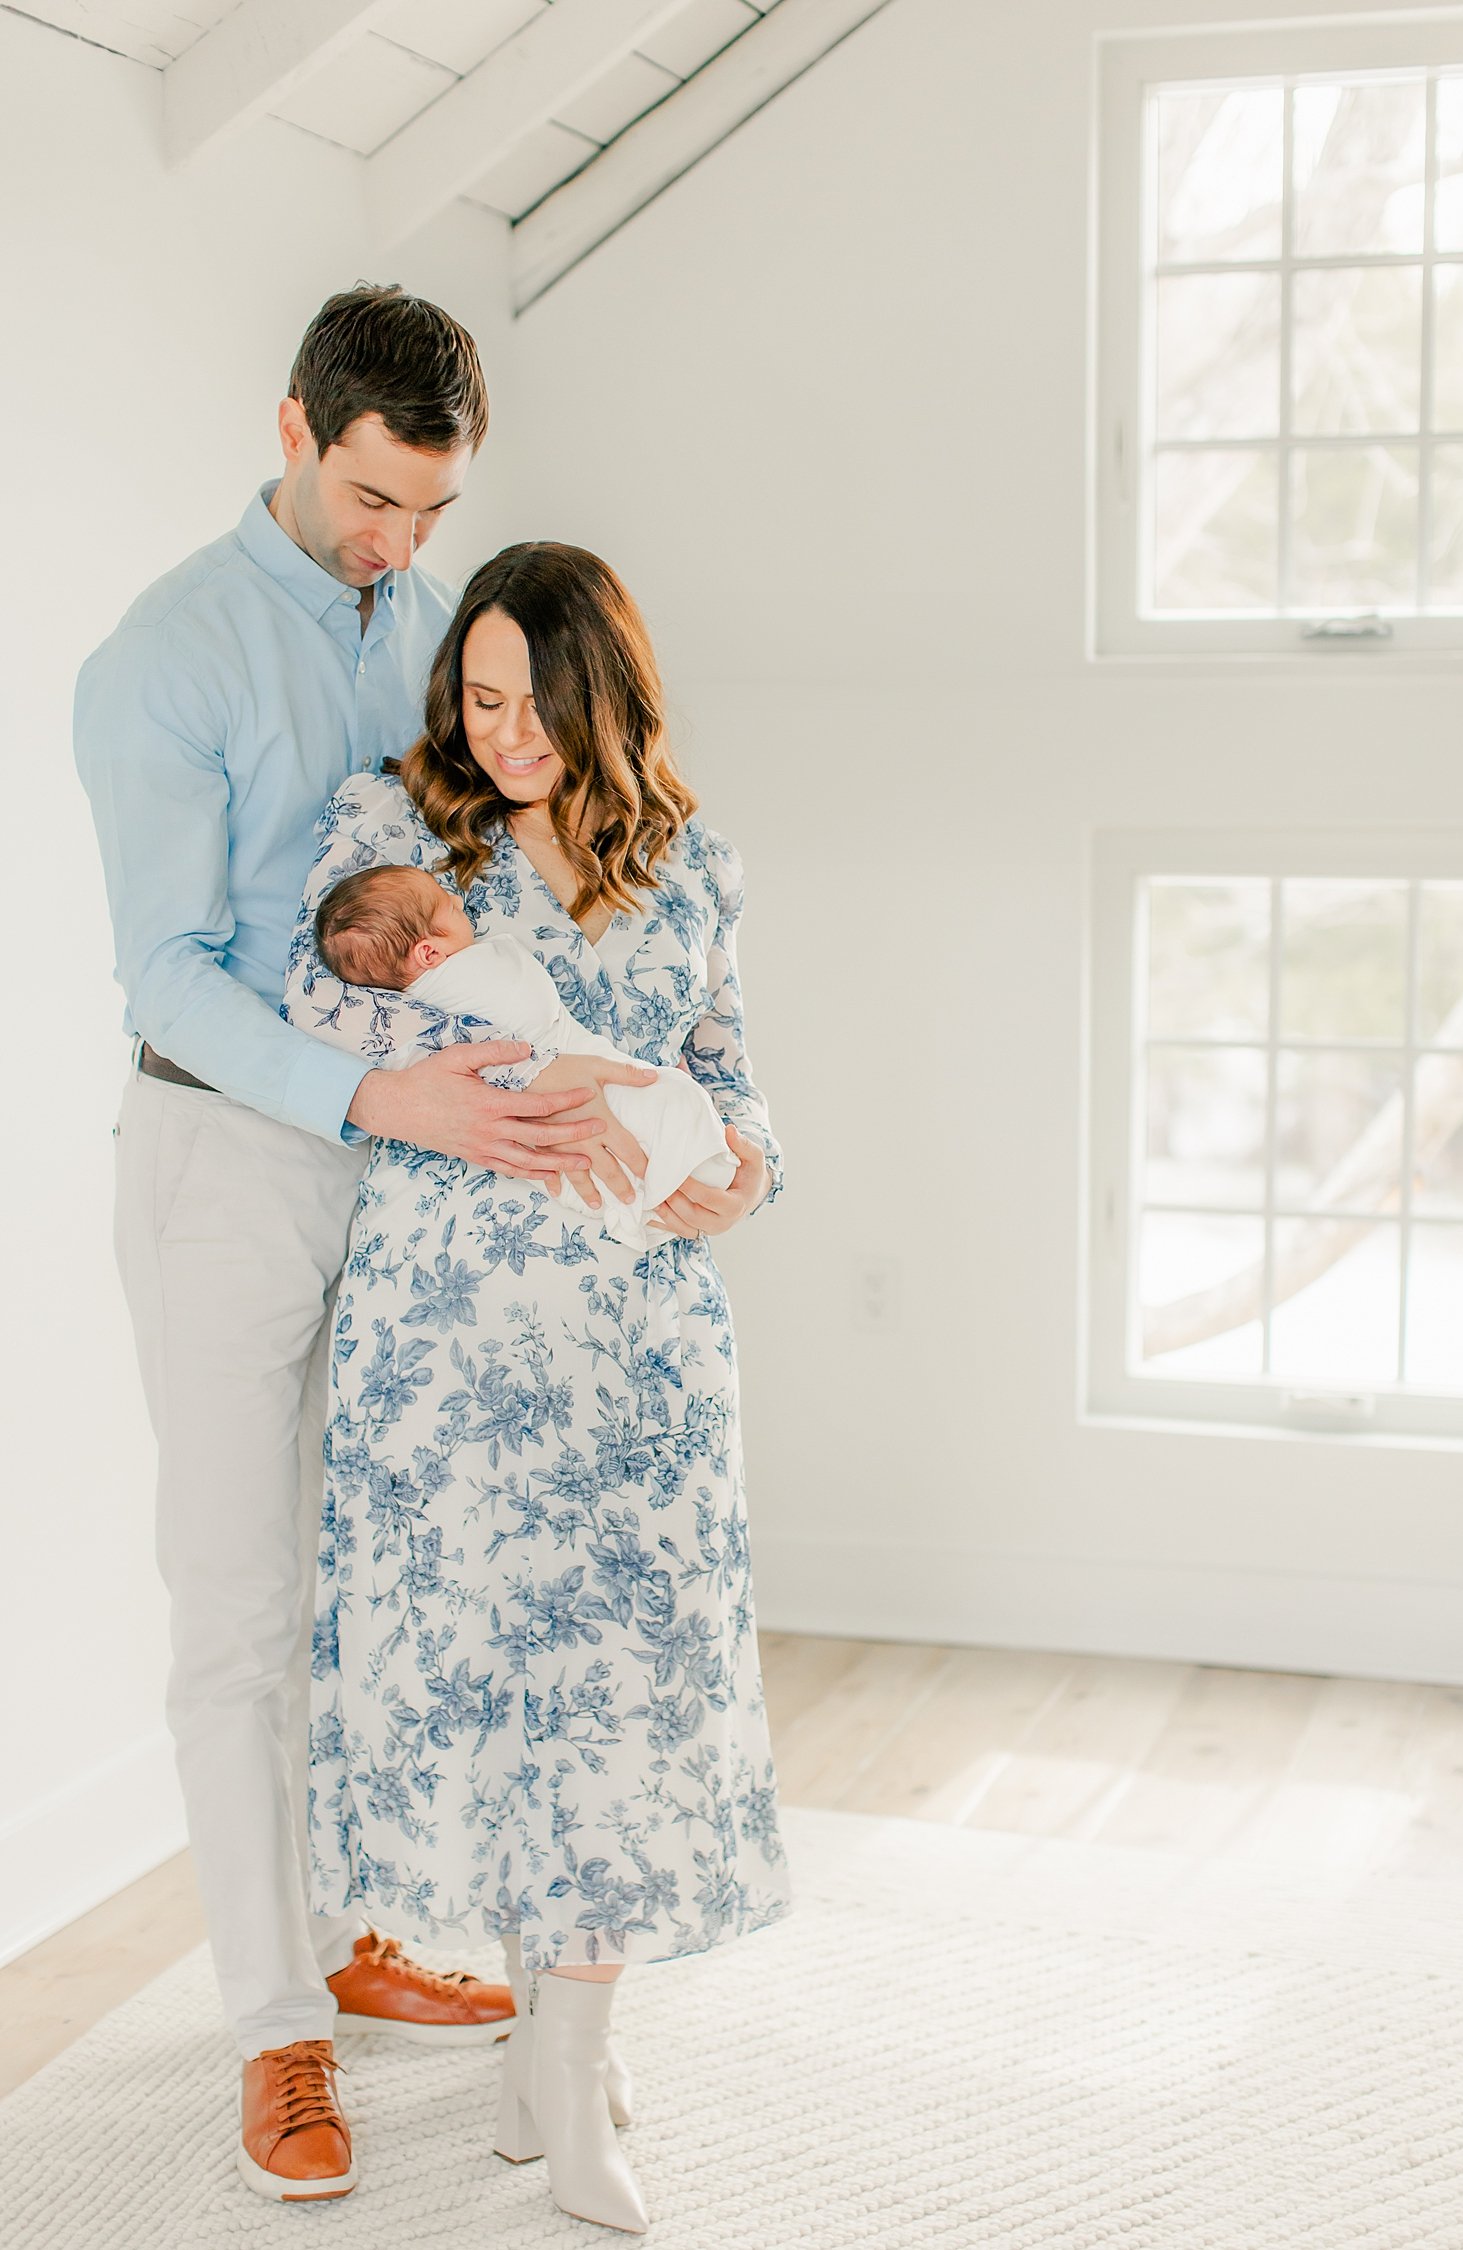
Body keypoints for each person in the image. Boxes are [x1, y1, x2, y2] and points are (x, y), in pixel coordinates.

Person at [74, 284, 656, 2207]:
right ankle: (274, 2030)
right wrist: (374, 1102)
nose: (399, 544)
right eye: (374, 498)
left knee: (372, 1592)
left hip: (418, 1178)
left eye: (431, 505)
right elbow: (166, 962)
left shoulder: (435, 626)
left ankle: (351, 1929)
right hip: (227, 1153)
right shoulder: (160, 655)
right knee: (238, 1609)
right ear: (297, 427)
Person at [283, 541, 791, 2235]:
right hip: (450, 1346)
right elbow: (322, 1008)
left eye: (532, 703)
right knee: (507, 1705)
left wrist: (750, 1172)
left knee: (622, 1717)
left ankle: (563, 2060)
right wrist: (469, 1058)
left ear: (605, 695)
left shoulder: (690, 859)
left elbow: (734, 1082)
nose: (501, 733)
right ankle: (554, 2070)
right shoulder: (396, 832)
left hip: (641, 1350)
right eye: (477, 698)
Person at [313, 862, 737, 1243]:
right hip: (503, 1172)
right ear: (429, 952)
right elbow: (530, 1011)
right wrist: (538, 1073)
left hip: (619, 1224)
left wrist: (760, 1175)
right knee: (671, 1101)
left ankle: (676, 1188)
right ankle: (676, 1184)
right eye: (449, 906)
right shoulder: (453, 986)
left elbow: (729, 1067)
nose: (460, 902)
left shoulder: (706, 861)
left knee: (664, 1110)